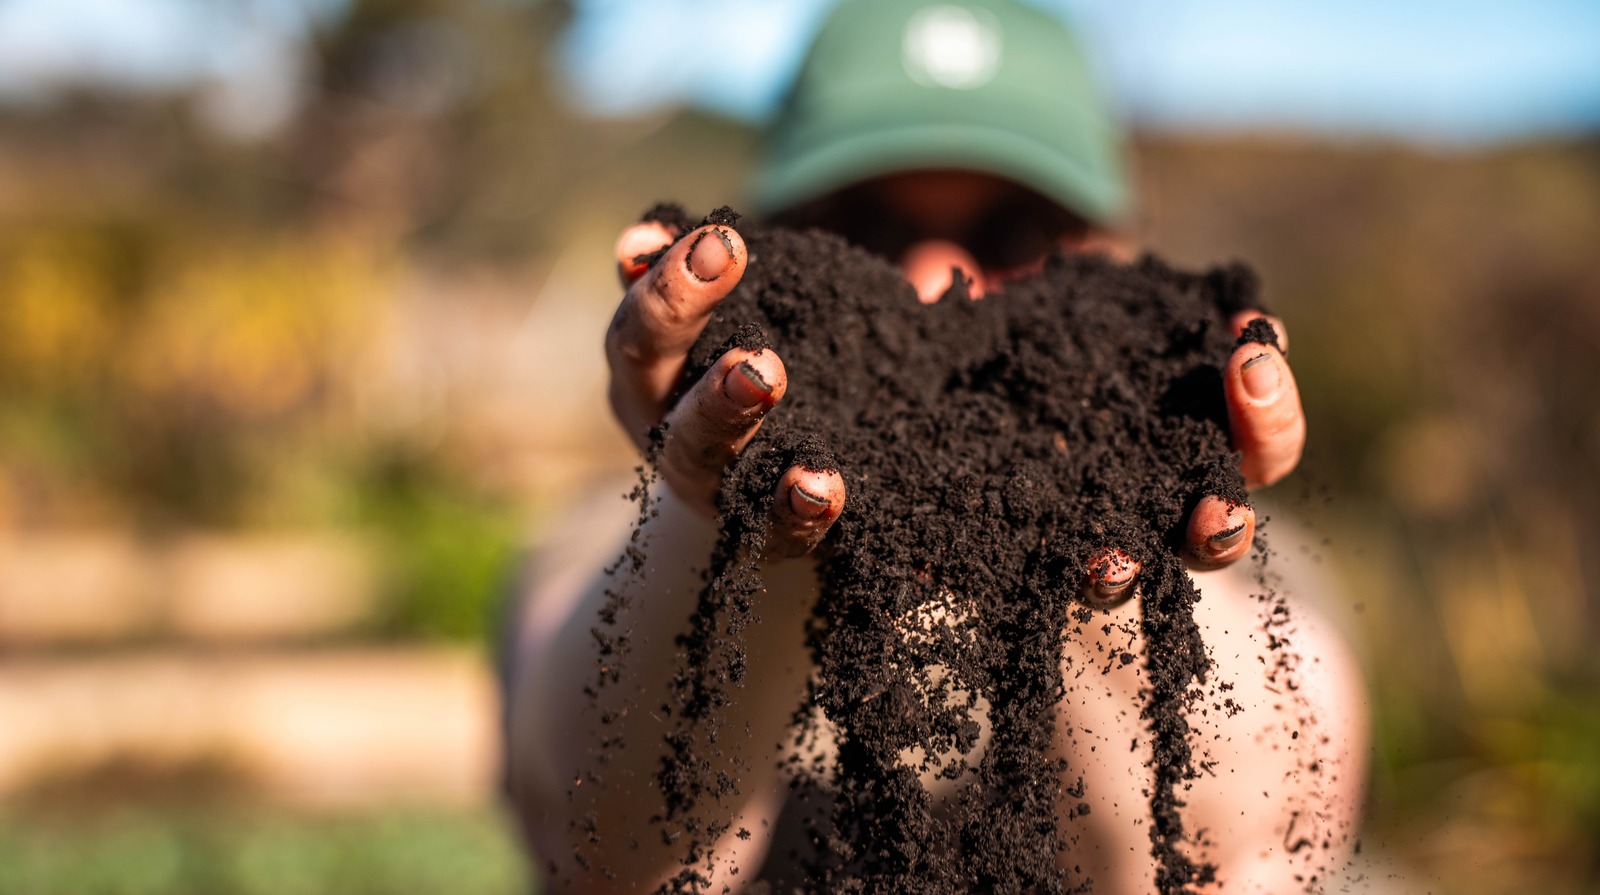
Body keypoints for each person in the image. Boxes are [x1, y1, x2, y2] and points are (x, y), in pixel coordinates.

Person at [504, 1, 1367, 892]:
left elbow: (1251, 851)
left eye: (1016, 236)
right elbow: (595, 852)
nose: (929, 283)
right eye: (863, 235)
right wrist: (733, 513)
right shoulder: (613, 548)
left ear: (1121, 258)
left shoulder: (1253, 569)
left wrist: (1088, 546)